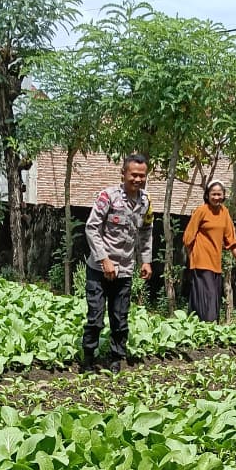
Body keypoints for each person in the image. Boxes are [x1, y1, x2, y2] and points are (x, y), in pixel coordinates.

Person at [82, 154, 154, 373]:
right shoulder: (108, 197)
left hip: (124, 271)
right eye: (134, 175)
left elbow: (146, 232)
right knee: (95, 318)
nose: (138, 179)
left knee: (120, 318)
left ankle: (115, 359)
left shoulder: (146, 202)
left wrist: (146, 261)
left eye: (142, 175)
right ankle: (88, 359)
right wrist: (104, 259)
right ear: (123, 174)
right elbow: (92, 228)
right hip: (99, 270)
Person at [182, 180, 236, 323]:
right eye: (213, 194)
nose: (216, 197)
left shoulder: (224, 212)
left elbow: (230, 238)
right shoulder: (201, 211)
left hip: (215, 263)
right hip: (201, 260)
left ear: (223, 196)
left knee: (212, 298)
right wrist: (192, 257)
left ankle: (198, 327)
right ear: (207, 195)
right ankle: (208, 326)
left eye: (219, 194)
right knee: (208, 298)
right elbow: (188, 238)